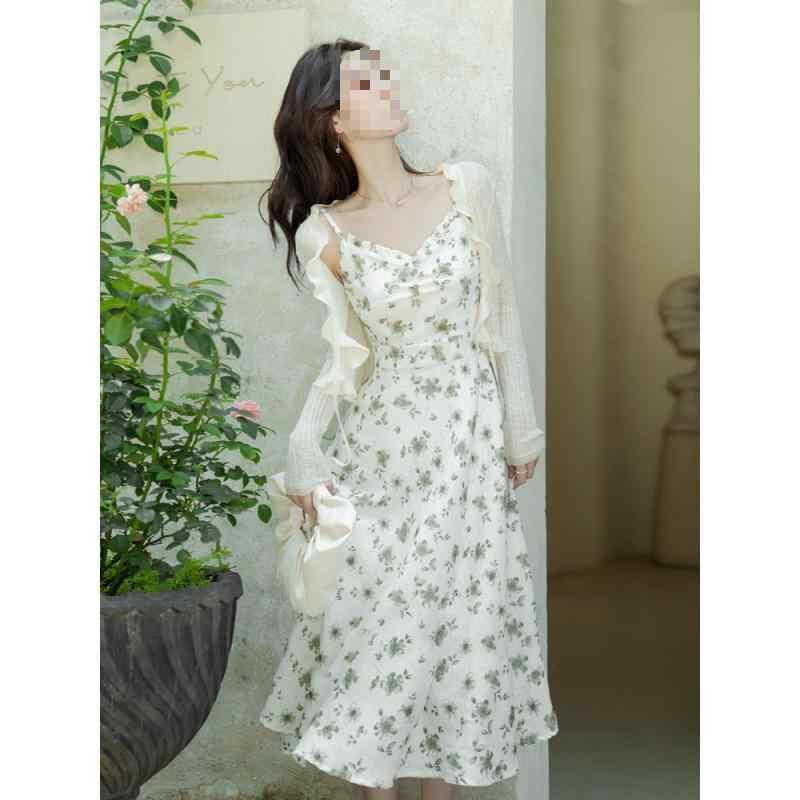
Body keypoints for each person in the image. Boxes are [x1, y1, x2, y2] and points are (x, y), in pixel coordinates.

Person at [258, 38, 558, 800]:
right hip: (383, 458)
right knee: (378, 642)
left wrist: (521, 427)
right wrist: (303, 452)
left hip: (466, 449)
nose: (389, 86)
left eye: (385, 73)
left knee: (453, 636)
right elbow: (345, 363)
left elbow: (501, 314)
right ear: (332, 119)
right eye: (367, 82)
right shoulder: (325, 233)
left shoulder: (466, 188)